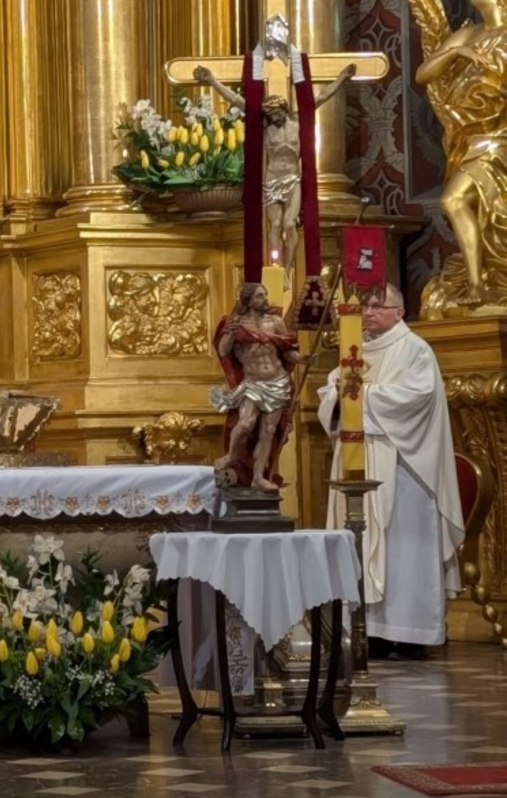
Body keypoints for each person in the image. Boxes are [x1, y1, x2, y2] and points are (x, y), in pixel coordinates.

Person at [316, 284, 464, 659]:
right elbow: (330, 392)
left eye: (378, 306)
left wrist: (360, 394)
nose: (368, 313)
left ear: (399, 312)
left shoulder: (415, 349)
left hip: (403, 464)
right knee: (361, 540)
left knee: (404, 548)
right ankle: (372, 633)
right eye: (365, 306)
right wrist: (339, 394)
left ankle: (412, 634)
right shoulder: (356, 349)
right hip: (357, 455)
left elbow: (418, 397)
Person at [194, 62, 355, 275]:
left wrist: (342, 77)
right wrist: (212, 81)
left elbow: (322, 97)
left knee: (289, 224)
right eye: (271, 114)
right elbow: (236, 100)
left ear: (284, 109)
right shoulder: (264, 127)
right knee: (276, 225)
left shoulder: (297, 121)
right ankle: (277, 269)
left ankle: (288, 270)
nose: (275, 117)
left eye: (277, 113)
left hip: (292, 179)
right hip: (272, 180)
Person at [410, 0, 507, 305]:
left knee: (453, 200)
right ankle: (482, 280)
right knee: (477, 210)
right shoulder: (468, 34)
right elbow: (423, 74)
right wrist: (454, 53)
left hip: (499, 137)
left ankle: (479, 284)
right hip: (466, 138)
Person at [208, 283, 300, 492]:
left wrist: (303, 359)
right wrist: (231, 334)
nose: (264, 299)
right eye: (259, 296)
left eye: (265, 295)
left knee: (269, 430)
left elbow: (287, 352)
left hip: (277, 381)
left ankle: (258, 477)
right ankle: (231, 456)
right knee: (246, 424)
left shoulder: (275, 322)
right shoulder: (237, 323)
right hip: (253, 383)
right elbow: (223, 351)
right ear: (248, 300)